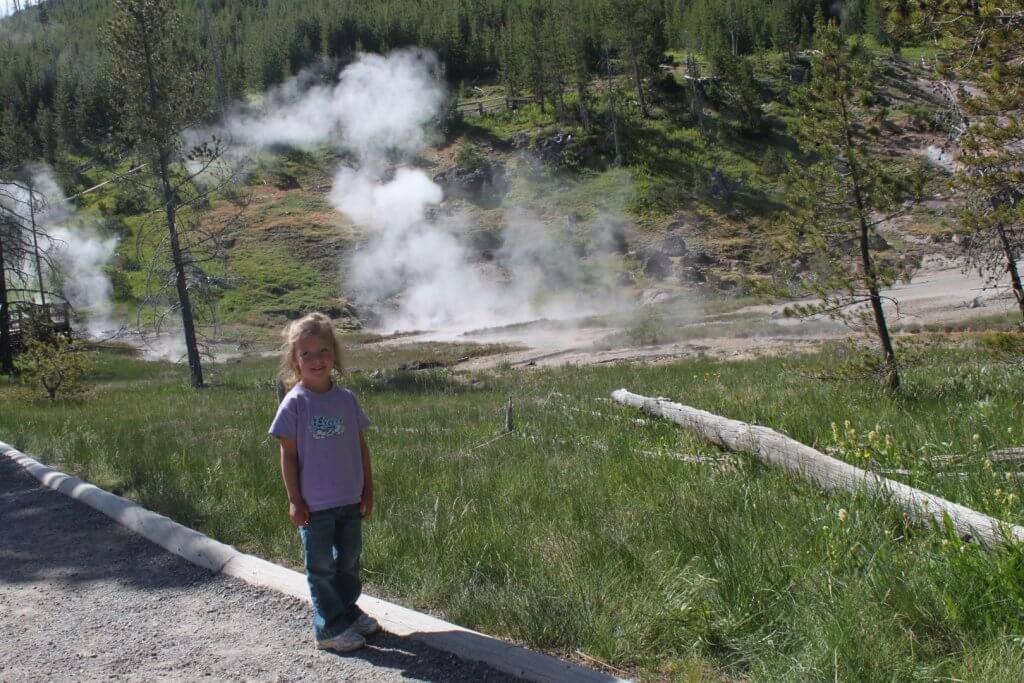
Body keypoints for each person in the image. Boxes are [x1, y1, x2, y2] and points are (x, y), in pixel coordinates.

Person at [269, 312, 380, 652]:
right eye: (307, 354)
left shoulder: (346, 400)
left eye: (324, 351)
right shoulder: (295, 404)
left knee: (348, 560)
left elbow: (360, 447)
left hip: (349, 498)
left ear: (334, 354)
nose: (317, 360)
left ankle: (346, 609)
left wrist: (368, 488)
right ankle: (328, 627)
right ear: (294, 359)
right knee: (320, 566)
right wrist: (294, 499)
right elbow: (288, 455)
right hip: (314, 504)